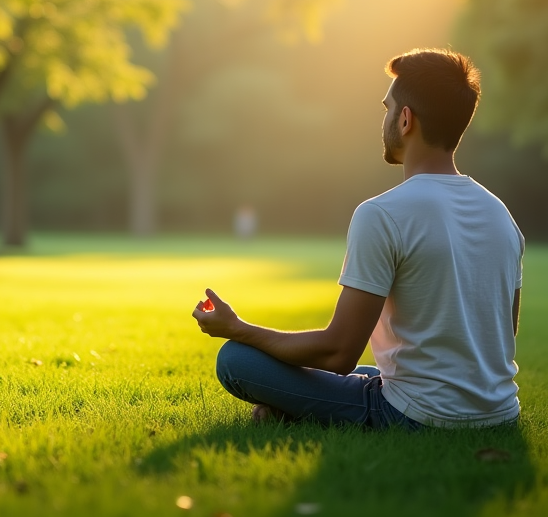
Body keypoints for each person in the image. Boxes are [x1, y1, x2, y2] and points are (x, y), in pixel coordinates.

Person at [192, 48, 524, 429]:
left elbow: (338, 353)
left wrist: (239, 329)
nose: (382, 119)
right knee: (367, 370)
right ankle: (300, 405)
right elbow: (498, 335)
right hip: (500, 413)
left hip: (416, 415)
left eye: (387, 108)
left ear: (404, 120)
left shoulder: (382, 213)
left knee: (237, 360)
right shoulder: (501, 215)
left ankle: (296, 407)